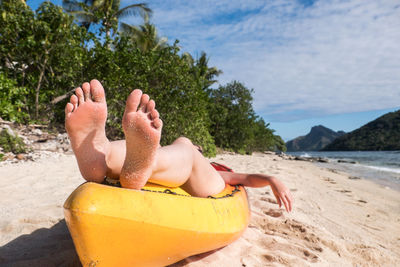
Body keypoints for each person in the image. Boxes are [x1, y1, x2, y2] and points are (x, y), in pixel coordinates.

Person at [65, 79, 293, 212]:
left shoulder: (199, 160)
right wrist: (272, 179)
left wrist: (273, 180)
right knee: (181, 152)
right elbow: (245, 179)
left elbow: (244, 180)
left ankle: (104, 152)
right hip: (181, 169)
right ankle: (115, 155)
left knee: (176, 150)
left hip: (170, 162)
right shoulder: (206, 165)